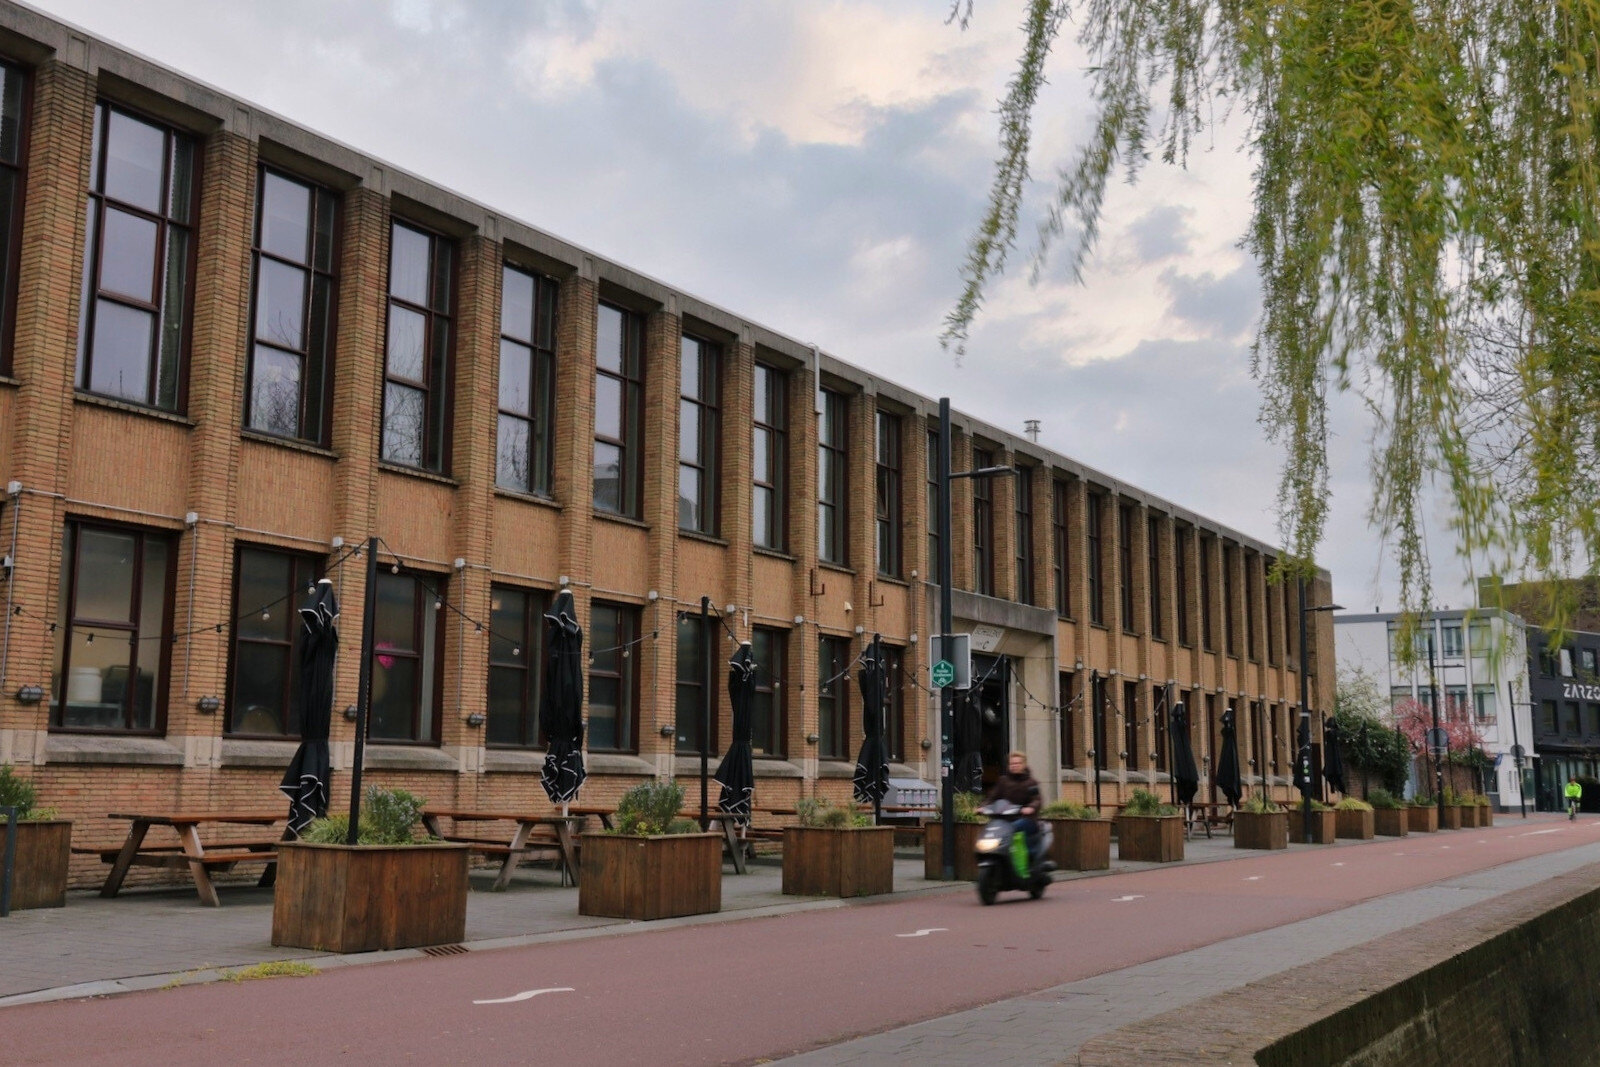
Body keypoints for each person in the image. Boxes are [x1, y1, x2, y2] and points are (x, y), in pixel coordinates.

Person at [985, 751, 1045, 864]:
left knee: (1014, 827)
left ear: (1024, 765)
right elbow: (992, 797)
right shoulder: (1003, 781)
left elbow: (1037, 799)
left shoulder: (1031, 783)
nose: (1014, 766)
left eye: (1017, 763)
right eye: (1012, 763)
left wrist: (1031, 807)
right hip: (1005, 819)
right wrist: (983, 807)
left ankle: (1029, 859)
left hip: (1026, 818)